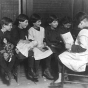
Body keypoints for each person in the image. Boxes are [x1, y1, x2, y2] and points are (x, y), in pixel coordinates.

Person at [52, 13, 88, 85]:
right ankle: (65, 75)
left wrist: (70, 47)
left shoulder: (83, 32)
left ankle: (60, 78)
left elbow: (83, 47)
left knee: (60, 57)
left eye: (77, 24)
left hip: (83, 55)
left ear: (81, 23)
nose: (77, 26)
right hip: (86, 54)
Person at [28, 13, 53, 80]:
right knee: (37, 55)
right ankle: (35, 72)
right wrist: (38, 48)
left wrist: (44, 44)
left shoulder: (42, 29)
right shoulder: (31, 30)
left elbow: (44, 38)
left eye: (40, 21)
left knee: (49, 51)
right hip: (35, 47)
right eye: (38, 21)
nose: (40, 23)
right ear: (33, 22)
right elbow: (31, 41)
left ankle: (46, 70)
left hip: (42, 46)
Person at [10, 14, 31, 80]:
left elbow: (26, 39)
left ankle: (30, 72)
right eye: (25, 22)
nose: (27, 24)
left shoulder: (25, 29)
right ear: (20, 22)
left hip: (23, 47)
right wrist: (22, 41)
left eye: (27, 22)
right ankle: (14, 67)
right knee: (21, 56)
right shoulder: (14, 29)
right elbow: (13, 40)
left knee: (32, 53)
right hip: (16, 48)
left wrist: (27, 41)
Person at [0, 17, 16, 85]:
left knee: (13, 56)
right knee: (1, 58)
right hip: (1, 51)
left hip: (5, 50)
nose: (11, 27)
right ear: (4, 25)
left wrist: (13, 47)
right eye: (10, 25)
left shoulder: (7, 33)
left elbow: (11, 42)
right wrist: (3, 52)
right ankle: (8, 71)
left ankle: (7, 71)